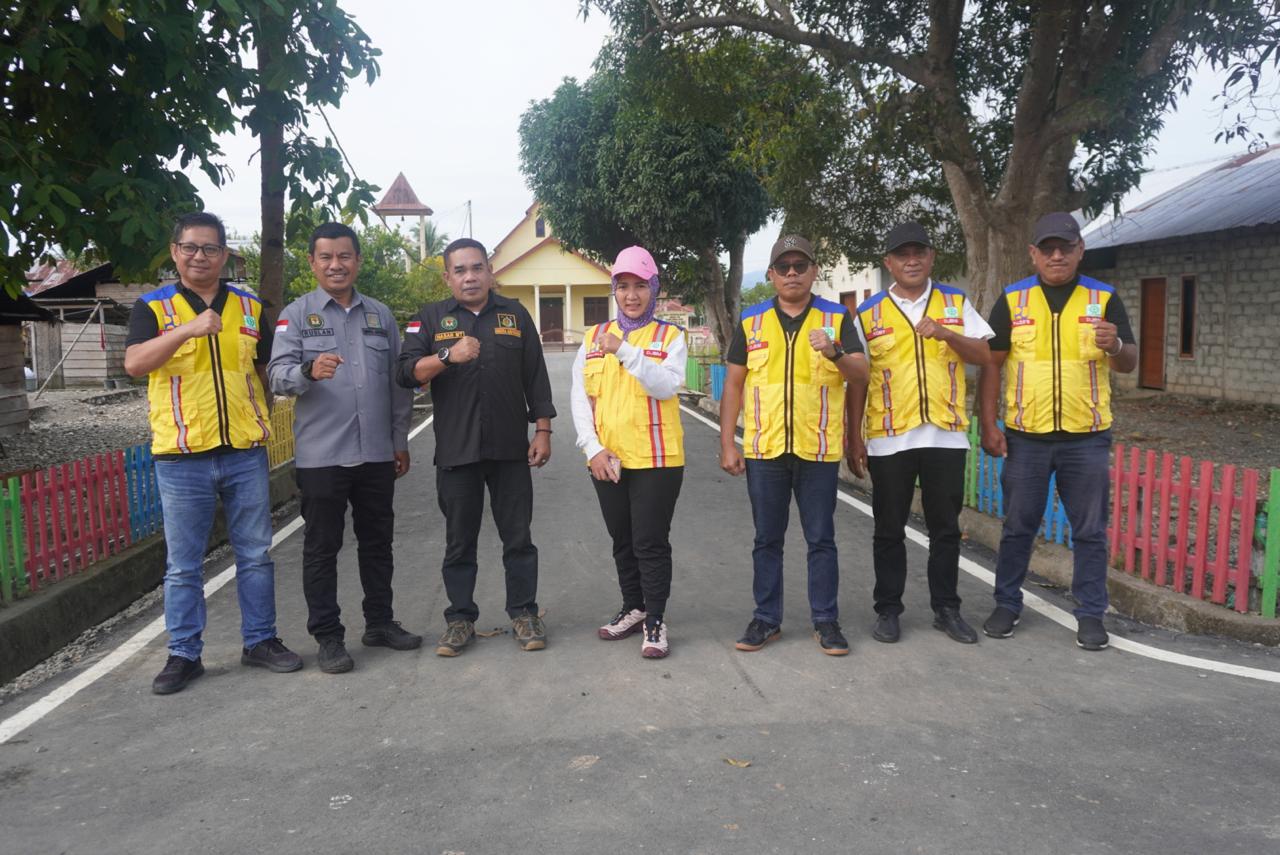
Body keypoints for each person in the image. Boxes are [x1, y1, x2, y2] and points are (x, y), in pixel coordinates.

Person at [124, 211, 302, 695]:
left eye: (210, 248)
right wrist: (185, 331)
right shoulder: (153, 307)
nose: (199, 256)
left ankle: (260, 640)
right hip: (182, 456)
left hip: (244, 451)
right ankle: (184, 653)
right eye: (190, 247)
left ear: (225, 255)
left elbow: (264, 368)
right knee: (184, 565)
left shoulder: (249, 306)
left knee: (256, 555)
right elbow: (135, 363)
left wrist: (265, 413)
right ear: (175, 252)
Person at [978, 212, 1137, 650]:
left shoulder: (1103, 298)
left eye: (1065, 247)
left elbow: (1128, 361)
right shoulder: (1013, 300)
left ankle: (1090, 614)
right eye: (1047, 248)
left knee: (1089, 532)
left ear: (1079, 250)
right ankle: (1007, 604)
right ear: (1033, 253)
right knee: (1017, 527)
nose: (1056, 256)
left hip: (1086, 439)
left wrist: (1115, 344)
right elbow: (992, 363)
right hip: (1026, 437)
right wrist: (989, 423)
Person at [268, 222, 419, 674]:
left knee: (378, 543)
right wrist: (307, 371)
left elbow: (399, 384)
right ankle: (329, 637)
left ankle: (380, 622)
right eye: (326, 257)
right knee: (321, 549)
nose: (336, 265)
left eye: (345, 256)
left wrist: (399, 440)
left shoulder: (381, 316)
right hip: (322, 457)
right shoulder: (296, 315)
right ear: (312, 263)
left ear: (358, 260)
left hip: (375, 453)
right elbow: (276, 376)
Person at [397, 238, 556, 656]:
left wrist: (542, 430)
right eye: (460, 270)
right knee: (459, 542)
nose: (470, 277)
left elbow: (535, 376)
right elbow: (406, 372)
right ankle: (459, 619)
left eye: (477, 268)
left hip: (510, 450)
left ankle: (524, 613)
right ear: (447, 277)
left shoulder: (515, 315)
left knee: (518, 539)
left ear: (490, 271)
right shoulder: (430, 319)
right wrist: (447, 355)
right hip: (457, 450)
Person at [719, 235, 869, 656]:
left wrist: (835, 353)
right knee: (767, 539)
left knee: (821, 539)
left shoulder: (836, 317)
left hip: (817, 449)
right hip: (765, 450)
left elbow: (861, 375)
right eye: (783, 267)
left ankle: (826, 620)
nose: (791, 273)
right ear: (771, 274)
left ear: (813, 271)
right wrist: (727, 442)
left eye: (800, 266)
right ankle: (766, 619)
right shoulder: (751, 321)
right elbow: (734, 384)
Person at [847, 222, 992, 645]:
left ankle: (947, 609)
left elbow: (984, 355)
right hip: (888, 437)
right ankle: (888, 609)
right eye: (902, 255)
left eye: (919, 253)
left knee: (945, 528)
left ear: (931, 257)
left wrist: (946, 332)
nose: (911, 261)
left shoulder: (954, 302)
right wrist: (854, 437)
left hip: (945, 435)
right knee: (888, 528)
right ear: (888, 262)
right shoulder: (869, 313)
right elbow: (857, 379)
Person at [571, 246, 686, 659]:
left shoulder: (670, 338)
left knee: (650, 542)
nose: (631, 295)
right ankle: (633, 607)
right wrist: (593, 448)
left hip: (658, 459)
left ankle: (655, 619)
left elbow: (665, 387)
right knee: (622, 539)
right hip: (608, 458)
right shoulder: (592, 338)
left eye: (640, 286)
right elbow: (580, 398)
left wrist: (624, 350)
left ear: (654, 288)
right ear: (613, 290)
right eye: (623, 286)